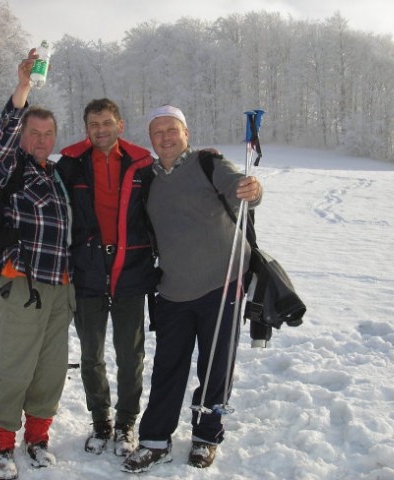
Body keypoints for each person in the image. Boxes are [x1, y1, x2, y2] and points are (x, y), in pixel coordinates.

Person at [122, 105, 263, 473]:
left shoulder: (208, 163)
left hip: (222, 282)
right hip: (172, 288)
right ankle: (154, 439)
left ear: (186, 132)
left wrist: (252, 188)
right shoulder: (148, 178)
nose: (165, 138)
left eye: (172, 130)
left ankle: (206, 436)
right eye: (157, 133)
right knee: (168, 365)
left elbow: (240, 187)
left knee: (216, 365)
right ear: (150, 140)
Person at [0, 48, 75, 480]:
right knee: (14, 366)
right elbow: (3, 133)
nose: (41, 139)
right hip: (20, 282)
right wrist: (23, 86)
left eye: (47, 133)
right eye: (33, 132)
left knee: (50, 367)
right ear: (22, 135)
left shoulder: (53, 173)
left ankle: (38, 438)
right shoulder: (9, 166)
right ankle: (2, 444)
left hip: (59, 286)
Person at [55, 99, 158, 456]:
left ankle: (127, 422)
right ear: (87, 128)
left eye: (107, 123)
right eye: (94, 124)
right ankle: (101, 421)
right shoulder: (70, 166)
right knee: (91, 354)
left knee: (131, 355)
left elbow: (164, 207)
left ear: (120, 124)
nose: (101, 129)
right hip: (87, 272)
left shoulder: (142, 165)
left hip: (131, 271)